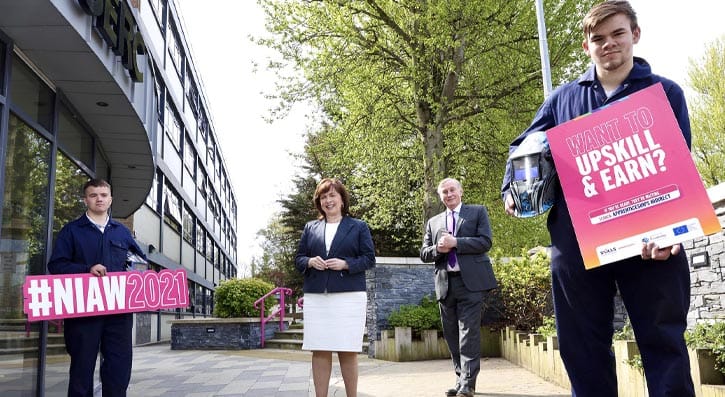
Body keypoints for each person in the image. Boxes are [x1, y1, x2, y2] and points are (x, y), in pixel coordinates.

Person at [501, 1, 695, 396]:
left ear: (635, 35)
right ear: (587, 45)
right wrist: (512, 188)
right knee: (583, 351)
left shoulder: (666, 92)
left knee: (664, 346)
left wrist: (672, 231)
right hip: (577, 245)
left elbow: (679, 167)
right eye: (598, 38)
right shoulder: (561, 100)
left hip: (649, 244)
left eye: (618, 34)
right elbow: (522, 146)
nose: (609, 45)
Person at [48, 178, 147, 397]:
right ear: (86, 200)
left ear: (110, 199)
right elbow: (56, 265)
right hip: (84, 311)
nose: (99, 199)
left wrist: (136, 272)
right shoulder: (71, 231)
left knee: (118, 370)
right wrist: (86, 269)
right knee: (82, 370)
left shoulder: (122, 232)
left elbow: (140, 263)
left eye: (103, 195)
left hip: (118, 313)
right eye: (93, 195)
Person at [294, 178, 376, 397]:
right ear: (319, 202)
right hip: (317, 297)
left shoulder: (358, 227)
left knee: (347, 350)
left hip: (349, 297)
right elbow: (299, 259)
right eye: (323, 197)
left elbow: (369, 259)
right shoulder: (311, 228)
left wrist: (347, 264)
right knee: (319, 349)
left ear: (342, 199)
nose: (328, 200)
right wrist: (310, 262)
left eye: (332, 195)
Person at [420, 178, 498, 397]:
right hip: (445, 284)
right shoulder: (433, 222)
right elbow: (424, 253)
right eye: (444, 192)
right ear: (440, 196)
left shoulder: (477, 212)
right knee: (452, 334)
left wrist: (457, 243)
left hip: (471, 283)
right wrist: (438, 248)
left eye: (452, 190)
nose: (448, 194)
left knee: (468, 333)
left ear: (460, 191)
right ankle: (460, 378)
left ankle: (468, 384)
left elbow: (485, 242)